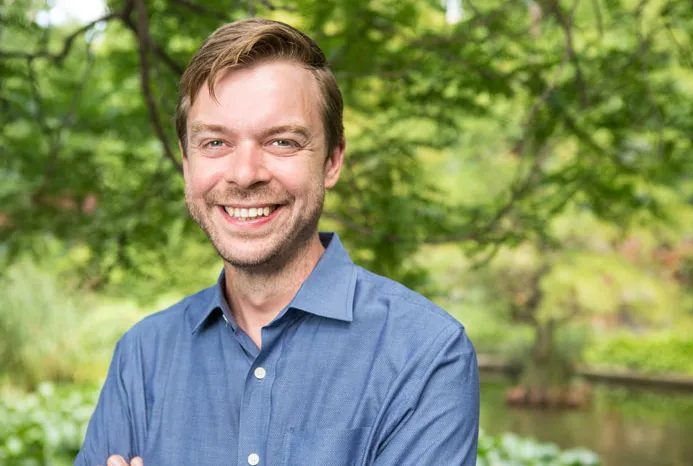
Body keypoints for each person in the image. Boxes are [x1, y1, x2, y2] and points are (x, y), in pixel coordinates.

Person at [75, 18, 479, 466]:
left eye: (282, 142)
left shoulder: (425, 353)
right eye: (215, 142)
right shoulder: (142, 355)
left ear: (332, 161)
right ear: (187, 164)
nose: (245, 173)